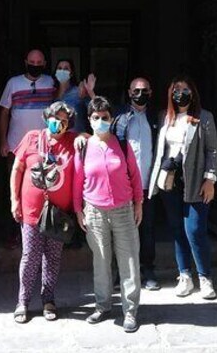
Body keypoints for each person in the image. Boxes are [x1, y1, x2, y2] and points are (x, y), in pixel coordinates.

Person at [74, 96, 144, 333]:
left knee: (129, 260)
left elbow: (134, 175)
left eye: (105, 117)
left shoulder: (122, 144)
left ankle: (130, 310)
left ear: (111, 119)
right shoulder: (83, 147)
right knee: (101, 261)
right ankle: (102, 305)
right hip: (94, 210)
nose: (101, 121)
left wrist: (139, 203)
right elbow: (77, 181)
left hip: (123, 209)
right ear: (89, 119)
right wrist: (78, 210)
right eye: (96, 118)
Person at [148, 76, 217, 300]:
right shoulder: (164, 117)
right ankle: (184, 275)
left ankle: (205, 278)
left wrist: (210, 179)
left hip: (196, 180)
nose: (181, 94)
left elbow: (212, 150)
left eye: (186, 89)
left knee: (195, 230)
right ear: (170, 94)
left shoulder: (204, 117)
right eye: (176, 90)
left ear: (193, 92)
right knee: (177, 230)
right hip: (170, 181)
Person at [9, 101, 78, 323]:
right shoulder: (31, 137)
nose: (59, 123)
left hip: (58, 213)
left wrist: (83, 136)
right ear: (47, 117)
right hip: (31, 211)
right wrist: (14, 200)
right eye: (55, 118)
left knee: (53, 257)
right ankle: (23, 301)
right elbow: (17, 169)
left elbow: (86, 138)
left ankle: (48, 299)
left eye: (64, 121)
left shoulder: (71, 141)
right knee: (30, 256)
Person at [0, 49, 56, 244]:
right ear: (25, 62)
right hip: (16, 147)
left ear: (45, 63)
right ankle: (14, 233)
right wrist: (3, 141)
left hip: (44, 149)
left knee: (44, 191)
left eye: (39, 62)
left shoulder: (51, 82)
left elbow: (59, 108)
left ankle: (45, 232)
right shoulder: (13, 83)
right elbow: (4, 113)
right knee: (15, 190)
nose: (35, 64)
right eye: (32, 61)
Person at [113, 76, 161, 291]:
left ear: (150, 92)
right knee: (121, 230)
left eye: (145, 90)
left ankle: (147, 270)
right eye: (136, 90)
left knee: (148, 229)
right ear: (129, 92)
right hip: (124, 184)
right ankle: (120, 273)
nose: (140, 94)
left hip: (148, 183)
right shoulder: (119, 117)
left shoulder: (157, 117)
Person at [54, 58, 95, 133]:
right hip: (58, 140)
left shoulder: (79, 91)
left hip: (77, 139)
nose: (62, 71)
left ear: (71, 73)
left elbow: (96, 109)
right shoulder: (51, 92)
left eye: (66, 69)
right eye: (59, 68)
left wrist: (90, 92)